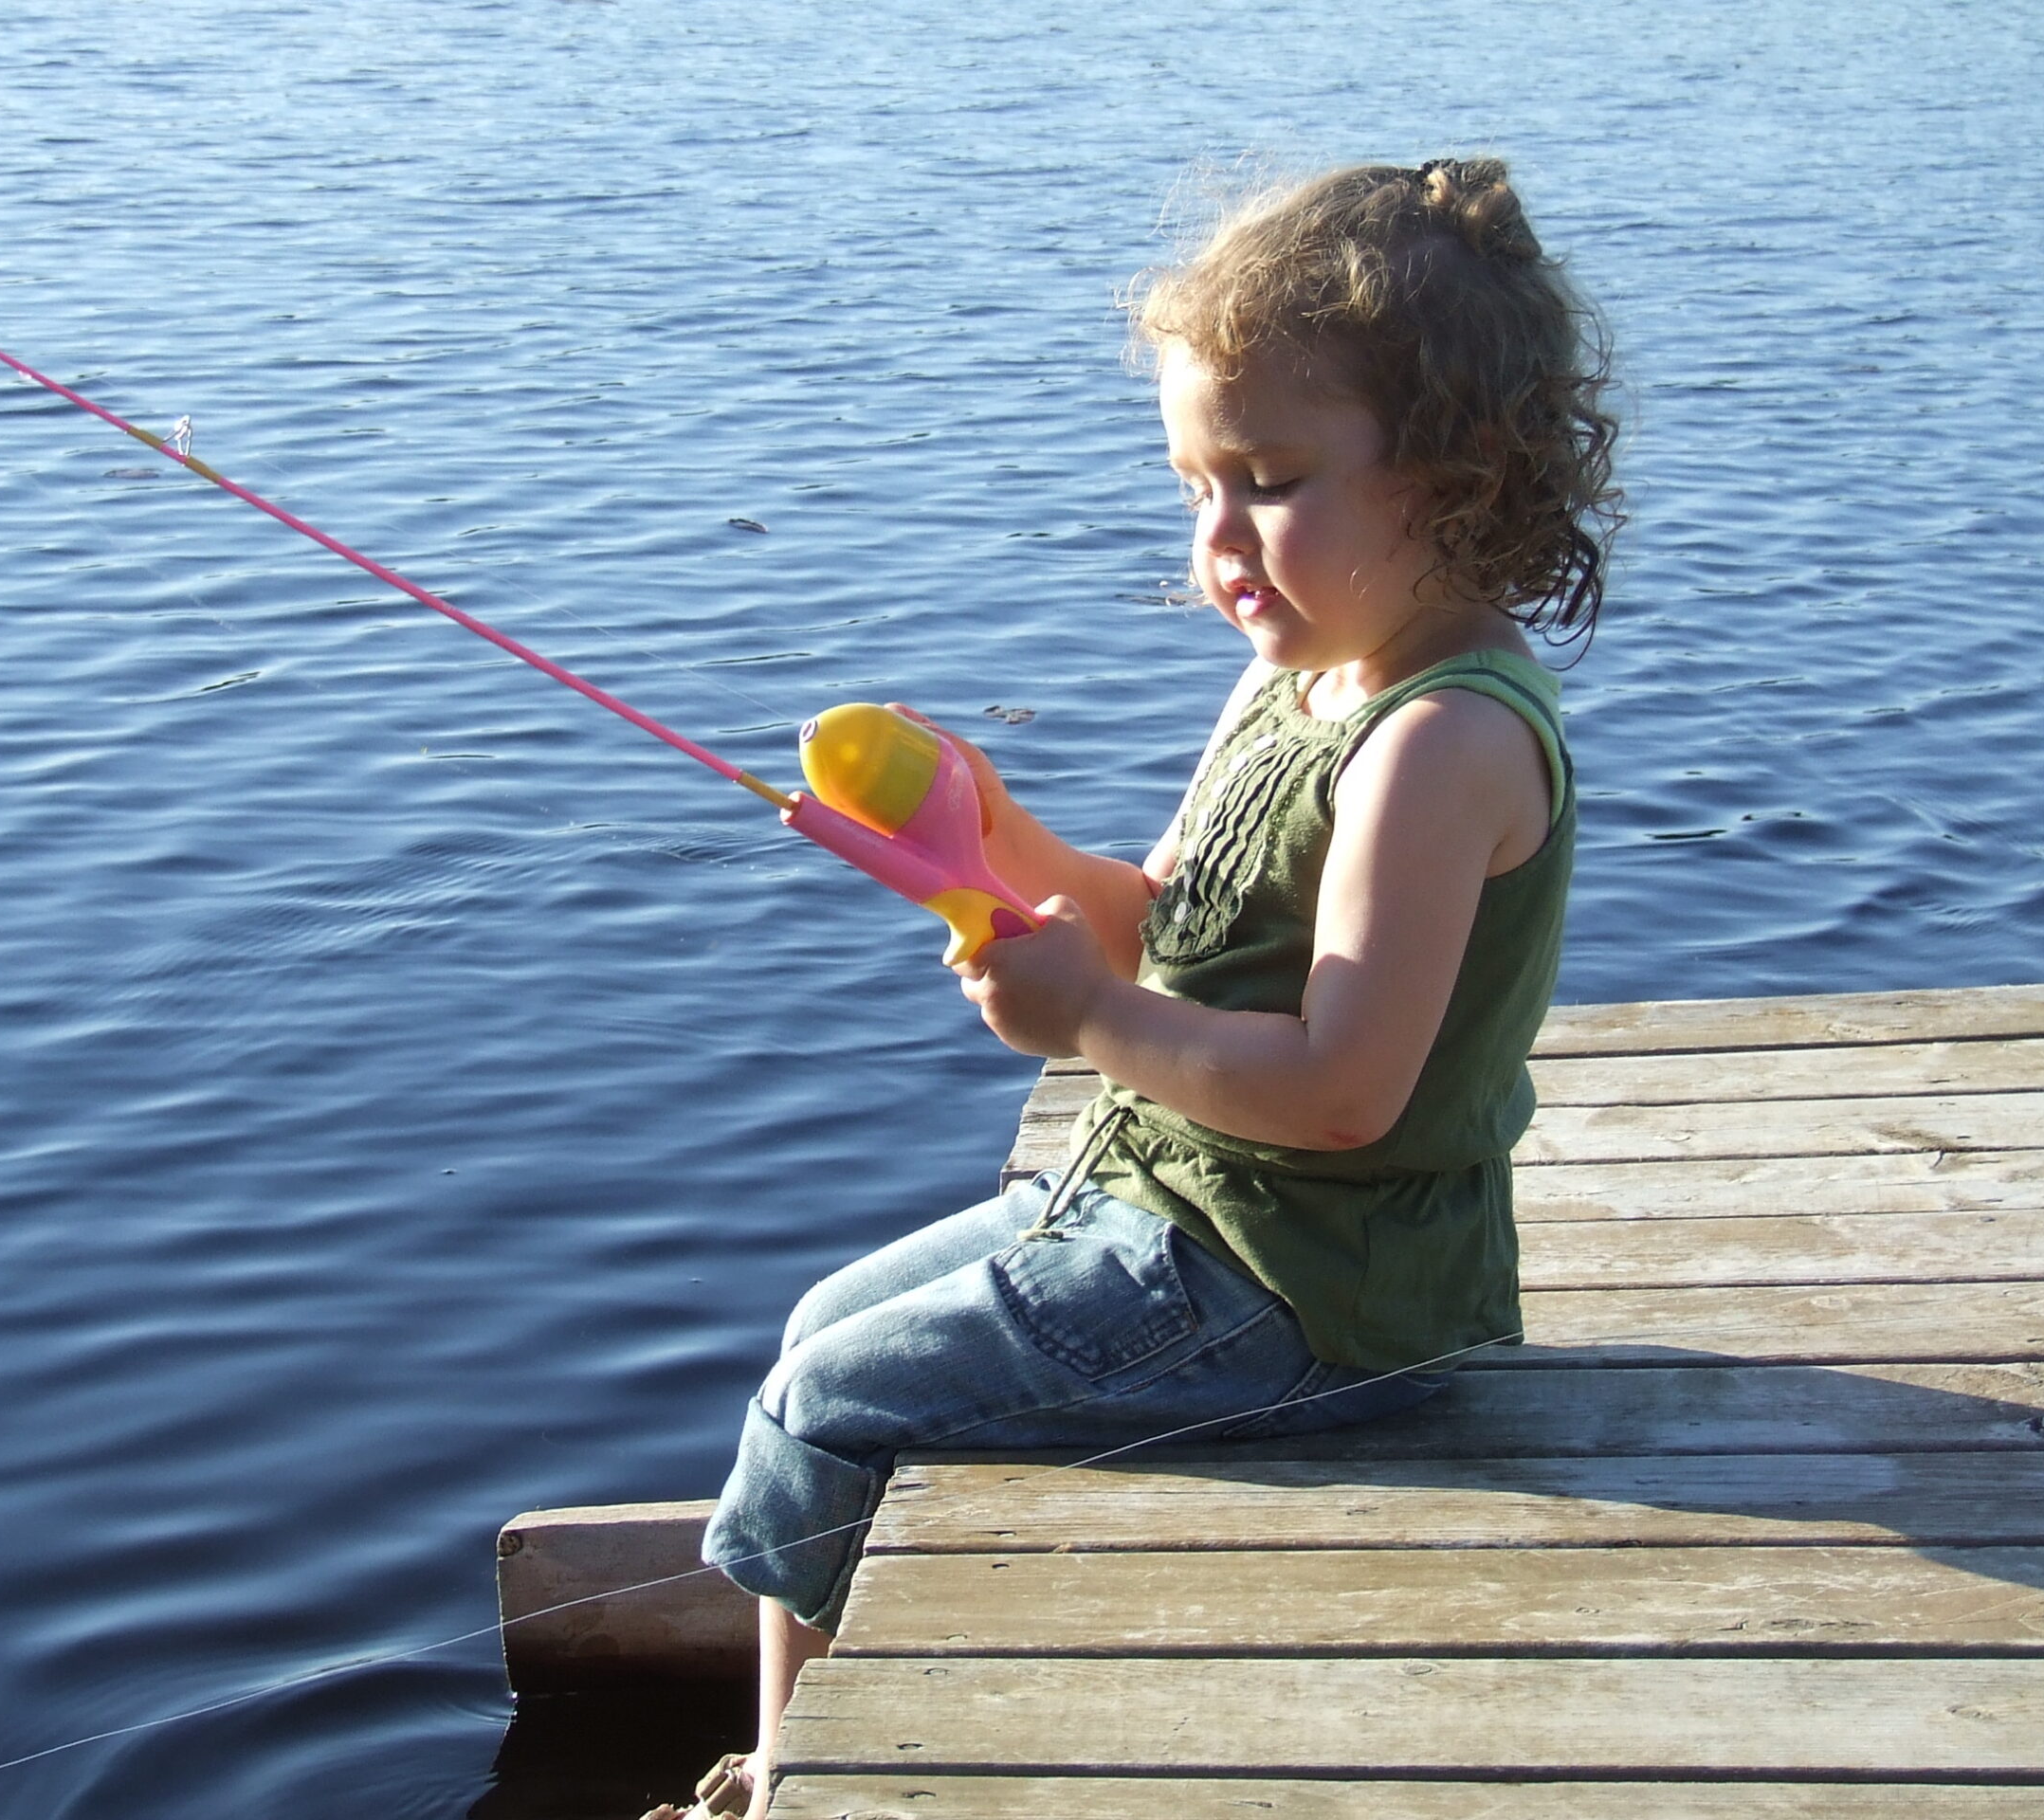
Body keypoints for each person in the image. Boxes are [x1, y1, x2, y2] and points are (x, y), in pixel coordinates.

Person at [653, 156, 1620, 1820]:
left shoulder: (1439, 742)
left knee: (825, 1401)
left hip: (1310, 1299)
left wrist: (1089, 1025)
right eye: (1198, 483)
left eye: (1270, 479)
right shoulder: (1299, 673)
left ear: (1459, 476)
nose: (1222, 540)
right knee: (817, 1330)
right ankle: (783, 1743)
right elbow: (1154, 922)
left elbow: (1340, 1089)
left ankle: (795, 1778)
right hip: (1184, 1210)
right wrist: (992, 833)